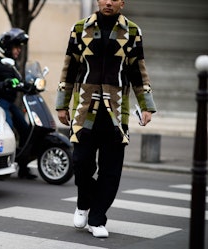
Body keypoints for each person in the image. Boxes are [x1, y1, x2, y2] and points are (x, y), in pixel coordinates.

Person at [55, 0, 156, 238]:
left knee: (111, 171)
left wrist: (146, 106)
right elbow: (69, 67)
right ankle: (83, 202)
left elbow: (138, 70)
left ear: (122, 3)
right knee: (81, 163)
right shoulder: (80, 28)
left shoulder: (132, 31)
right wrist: (62, 103)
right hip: (84, 109)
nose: (108, 2)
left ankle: (98, 218)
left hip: (116, 112)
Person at [0, 28, 37, 179]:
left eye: (20, 47)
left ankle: (23, 167)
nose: (19, 50)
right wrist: (3, 84)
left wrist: (30, 86)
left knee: (26, 130)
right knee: (9, 130)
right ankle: (1, 167)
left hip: (9, 102)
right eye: (16, 47)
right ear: (7, 47)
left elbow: (18, 82)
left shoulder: (11, 64)